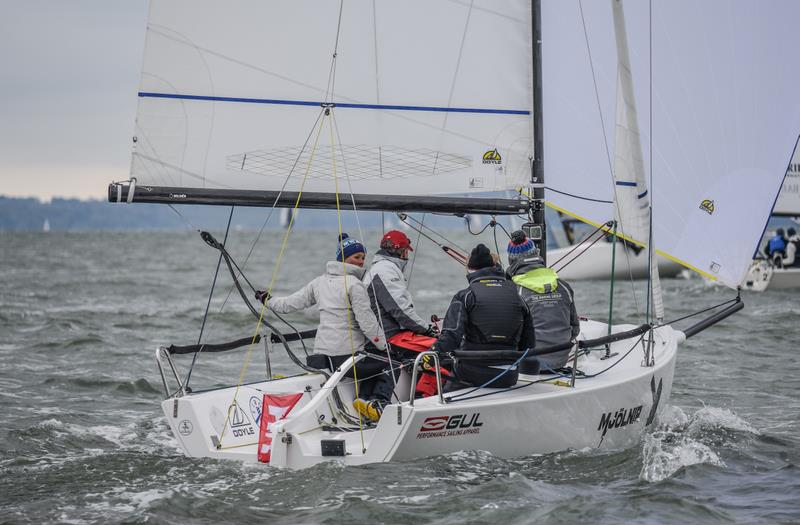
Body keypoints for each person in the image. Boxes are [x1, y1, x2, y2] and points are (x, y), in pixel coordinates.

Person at [256, 233, 391, 422]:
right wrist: (384, 346)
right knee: (388, 364)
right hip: (346, 357)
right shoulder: (354, 284)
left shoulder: (318, 282)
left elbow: (289, 304)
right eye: (356, 257)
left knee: (368, 360)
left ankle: (290, 387)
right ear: (343, 258)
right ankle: (373, 402)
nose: (361, 262)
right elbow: (367, 322)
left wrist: (268, 301)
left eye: (363, 258)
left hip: (320, 357)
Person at [434, 243, 536, 389]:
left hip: (472, 374)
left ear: (470, 270)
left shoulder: (465, 296)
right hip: (509, 376)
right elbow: (529, 344)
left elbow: (450, 338)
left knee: (442, 382)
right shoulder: (517, 296)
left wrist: (430, 355)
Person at [506, 230, 580, 371]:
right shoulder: (564, 286)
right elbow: (575, 330)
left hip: (529, 365)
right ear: (536, 254)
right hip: (560, 360)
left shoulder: (514, 290)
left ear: (511, 260)